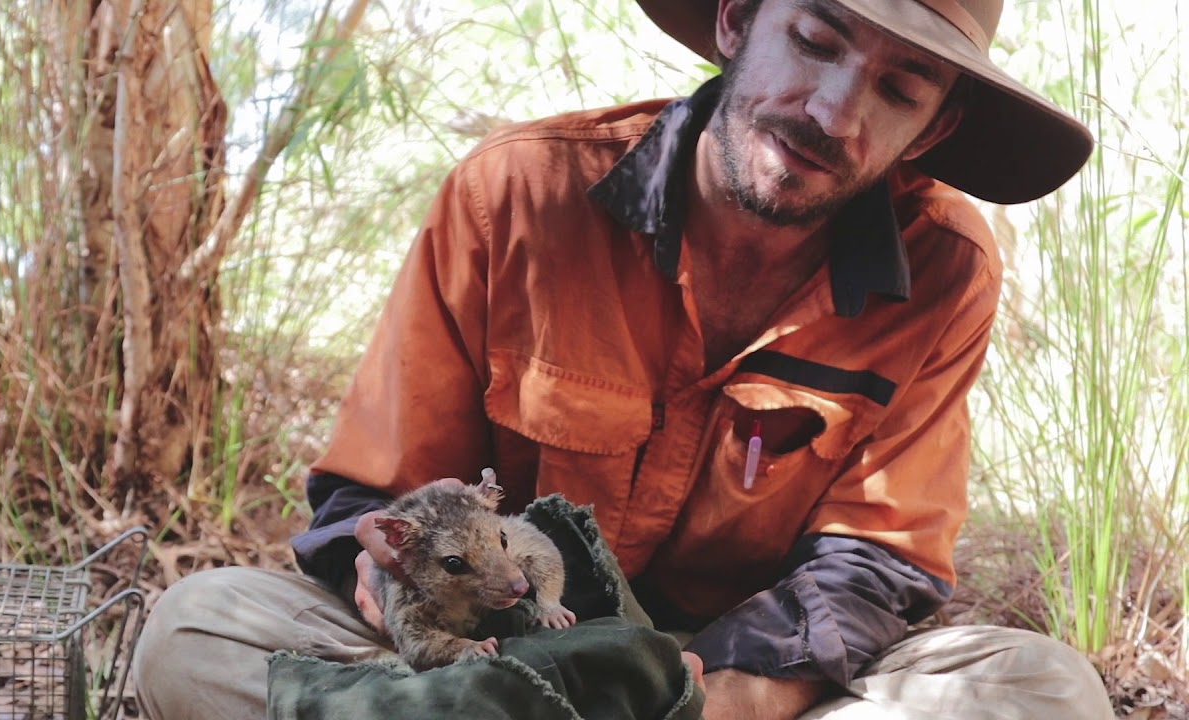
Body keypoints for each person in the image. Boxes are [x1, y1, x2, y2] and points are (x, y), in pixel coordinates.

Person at [133, 0, 1113, 717]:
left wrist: (713, 698)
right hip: (499, 665)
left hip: (730, 680)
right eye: (813, 40)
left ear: (931, 128)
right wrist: (442, 631)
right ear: (736, 21)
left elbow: (871, 564)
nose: (830, 110)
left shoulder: (943, 268)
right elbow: (369, 509)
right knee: (197, 630)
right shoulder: (512, 197)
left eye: (896, 88)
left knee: (1041, 692)